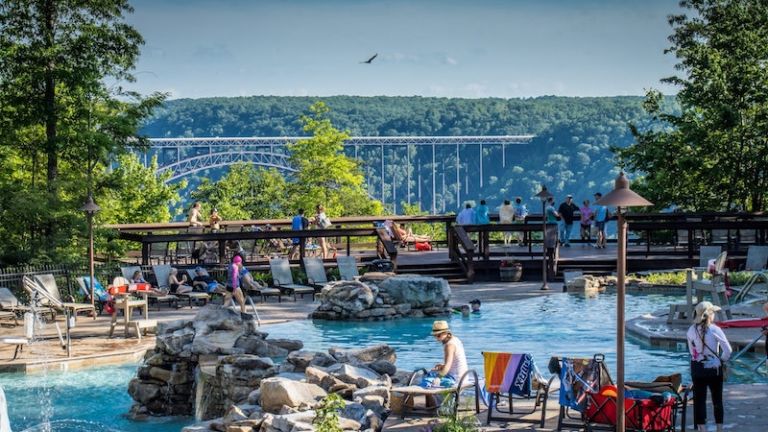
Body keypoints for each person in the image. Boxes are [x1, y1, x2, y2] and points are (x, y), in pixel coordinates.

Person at [687, 301, 732, 432]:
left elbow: (692, 352)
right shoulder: (715, 329)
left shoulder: (691, 330)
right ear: (710, 314)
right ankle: (719, 429)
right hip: (714, 368)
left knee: (699, 400)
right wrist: (720, 360)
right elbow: (728, 350)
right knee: (717, 399)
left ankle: (702, 429)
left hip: (697, 368)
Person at [419, 321, 468, 390]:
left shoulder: (449, 345)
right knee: (430, 373)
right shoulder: (455, 339)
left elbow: (448, 366)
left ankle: (433, 399)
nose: (437, 338)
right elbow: (454, 362)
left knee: (426, 381)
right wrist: (442, 366)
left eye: (438, 335)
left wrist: (438, 378)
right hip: (463, 376)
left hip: (456, 379)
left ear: (446, 333)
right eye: (435, 335)